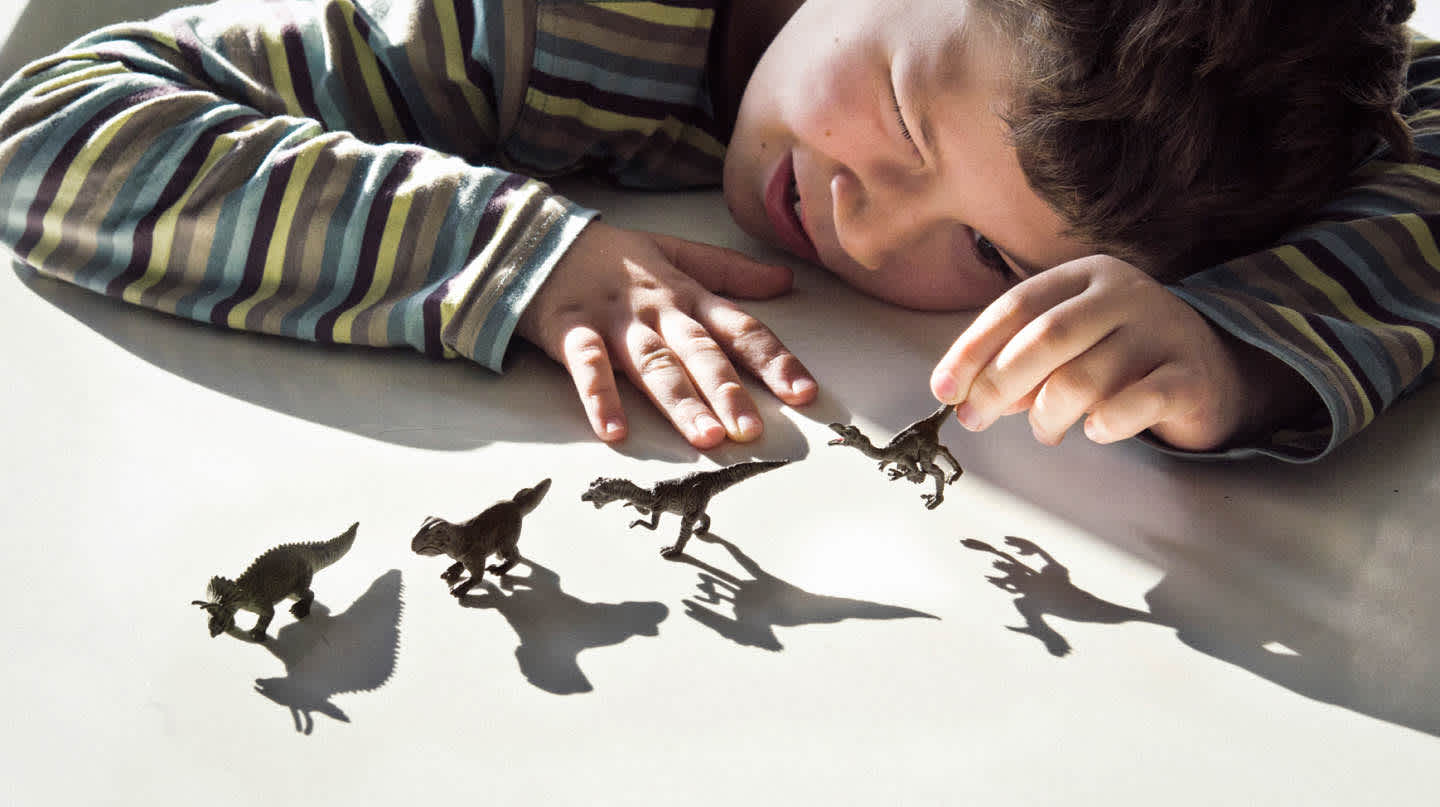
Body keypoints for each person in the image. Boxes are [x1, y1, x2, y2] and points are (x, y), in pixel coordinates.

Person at [0, 0, 1432, 461]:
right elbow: (54, 132)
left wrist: (1230, 346)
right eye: (902, 116)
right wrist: (523, 255)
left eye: (995, 261)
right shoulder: (538, 21)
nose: (869, 228)